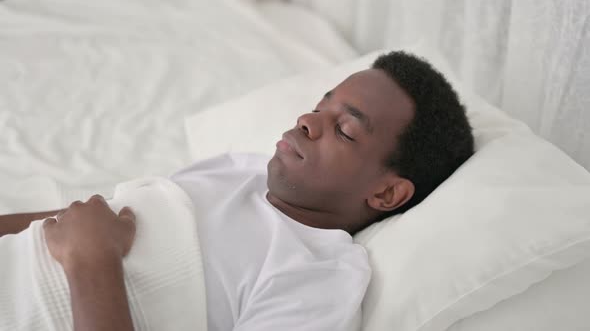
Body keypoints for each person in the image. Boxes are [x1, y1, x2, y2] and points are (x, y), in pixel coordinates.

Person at [0, 51, 474, 330]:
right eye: (319, 106)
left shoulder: (316, 277)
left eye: (345, 131)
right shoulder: (238, 170)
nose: (307, 121)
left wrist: (92, 262)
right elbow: (81, 221)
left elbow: (87, 242)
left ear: (388, 194)